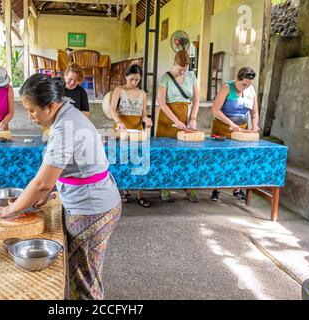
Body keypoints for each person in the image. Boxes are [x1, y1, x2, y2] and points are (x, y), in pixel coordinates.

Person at [0, 74, 122, 300]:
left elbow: (42, 182)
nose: (31, 116)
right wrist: (52, 191)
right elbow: (75, 167)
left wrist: (11, 210)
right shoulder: (68, 113)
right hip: (96, 201)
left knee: (85, 282)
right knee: (86, 274)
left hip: (91, 208)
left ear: (50, 106)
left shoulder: (64, 129)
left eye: (32, 110)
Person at [156, 50, 200, 203]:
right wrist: (176, 120)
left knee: (186, 154)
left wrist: (193, 118)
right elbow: (161, 103)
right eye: (180, 68)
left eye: (185, 68)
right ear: (175, 63)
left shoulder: (191, 76)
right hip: (168, 119)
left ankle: (188, 186)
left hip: (185, 116)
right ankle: (165, 187)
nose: (183, 71)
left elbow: (196, 99)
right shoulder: (165, 77)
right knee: (166, 155)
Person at [210, 67, 260, 202]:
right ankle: (216, 189)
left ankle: (237, 189)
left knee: (240, 159)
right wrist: (230, 123)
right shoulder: (227, 87)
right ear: (237, 79)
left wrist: (254, 126)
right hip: (223, 127)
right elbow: (215, 109)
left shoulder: (251, 90)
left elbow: (254, 113)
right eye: (244, 84)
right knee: (221, 159)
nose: (246, 87)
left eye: (249, 84)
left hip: (242, 131)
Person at [110, 64, 153, 207]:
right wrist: (118, 122)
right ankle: (126, 191)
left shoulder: (142, 93)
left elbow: (144, 115)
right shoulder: (119, 90)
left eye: (137, 80)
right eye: (132, 79)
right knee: (124, 158)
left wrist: (147, 120)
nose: (134, 82)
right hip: (122, 129)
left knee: (140, 159)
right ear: (126, 77)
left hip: (137, 129)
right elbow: (112, 109)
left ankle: (140, 193)